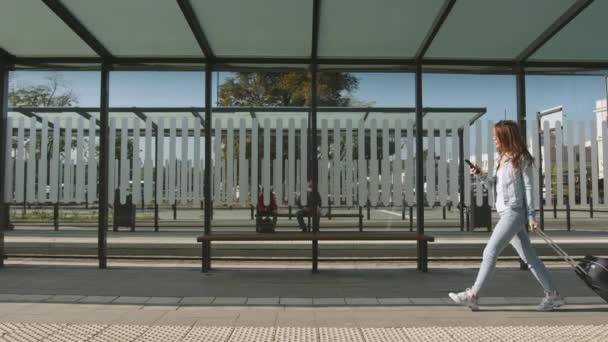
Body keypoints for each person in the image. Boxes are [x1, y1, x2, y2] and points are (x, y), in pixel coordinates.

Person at [449, 120, 563, 312]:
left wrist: (531, 215)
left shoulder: (521, 158)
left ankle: (473, 295)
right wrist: (482, 175)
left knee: (490, 251)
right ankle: (553, 296)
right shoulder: (501, 158)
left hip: (515, 210)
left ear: (505, 136)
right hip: (505, 211)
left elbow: (528, 187)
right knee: (529, 257)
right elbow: (494, 186)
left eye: (496, 136)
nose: (493, 139)